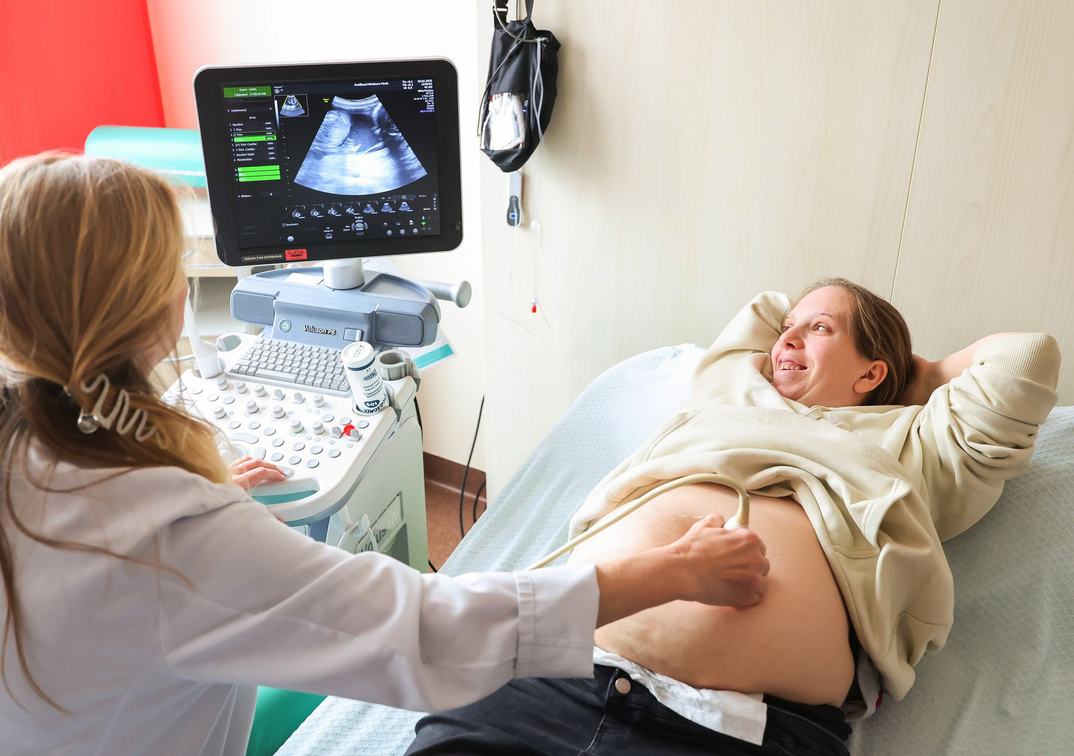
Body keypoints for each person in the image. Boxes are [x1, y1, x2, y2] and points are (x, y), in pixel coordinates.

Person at [0, 154, 770, 756]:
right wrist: (670, 570)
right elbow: (430, 632)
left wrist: (196, 496)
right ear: (153, 312)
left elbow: (70, 581)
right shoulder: (172, 538)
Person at [407, 279, 1061, 755]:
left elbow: (1026, 358)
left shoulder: (913, 447)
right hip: (557, 669)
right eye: (787, 331)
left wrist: (912, 379)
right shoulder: (727, 392)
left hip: (741, 729)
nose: (787, 339)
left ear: (873, 373)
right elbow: (765, 309)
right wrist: (815, 335)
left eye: (820, 329)